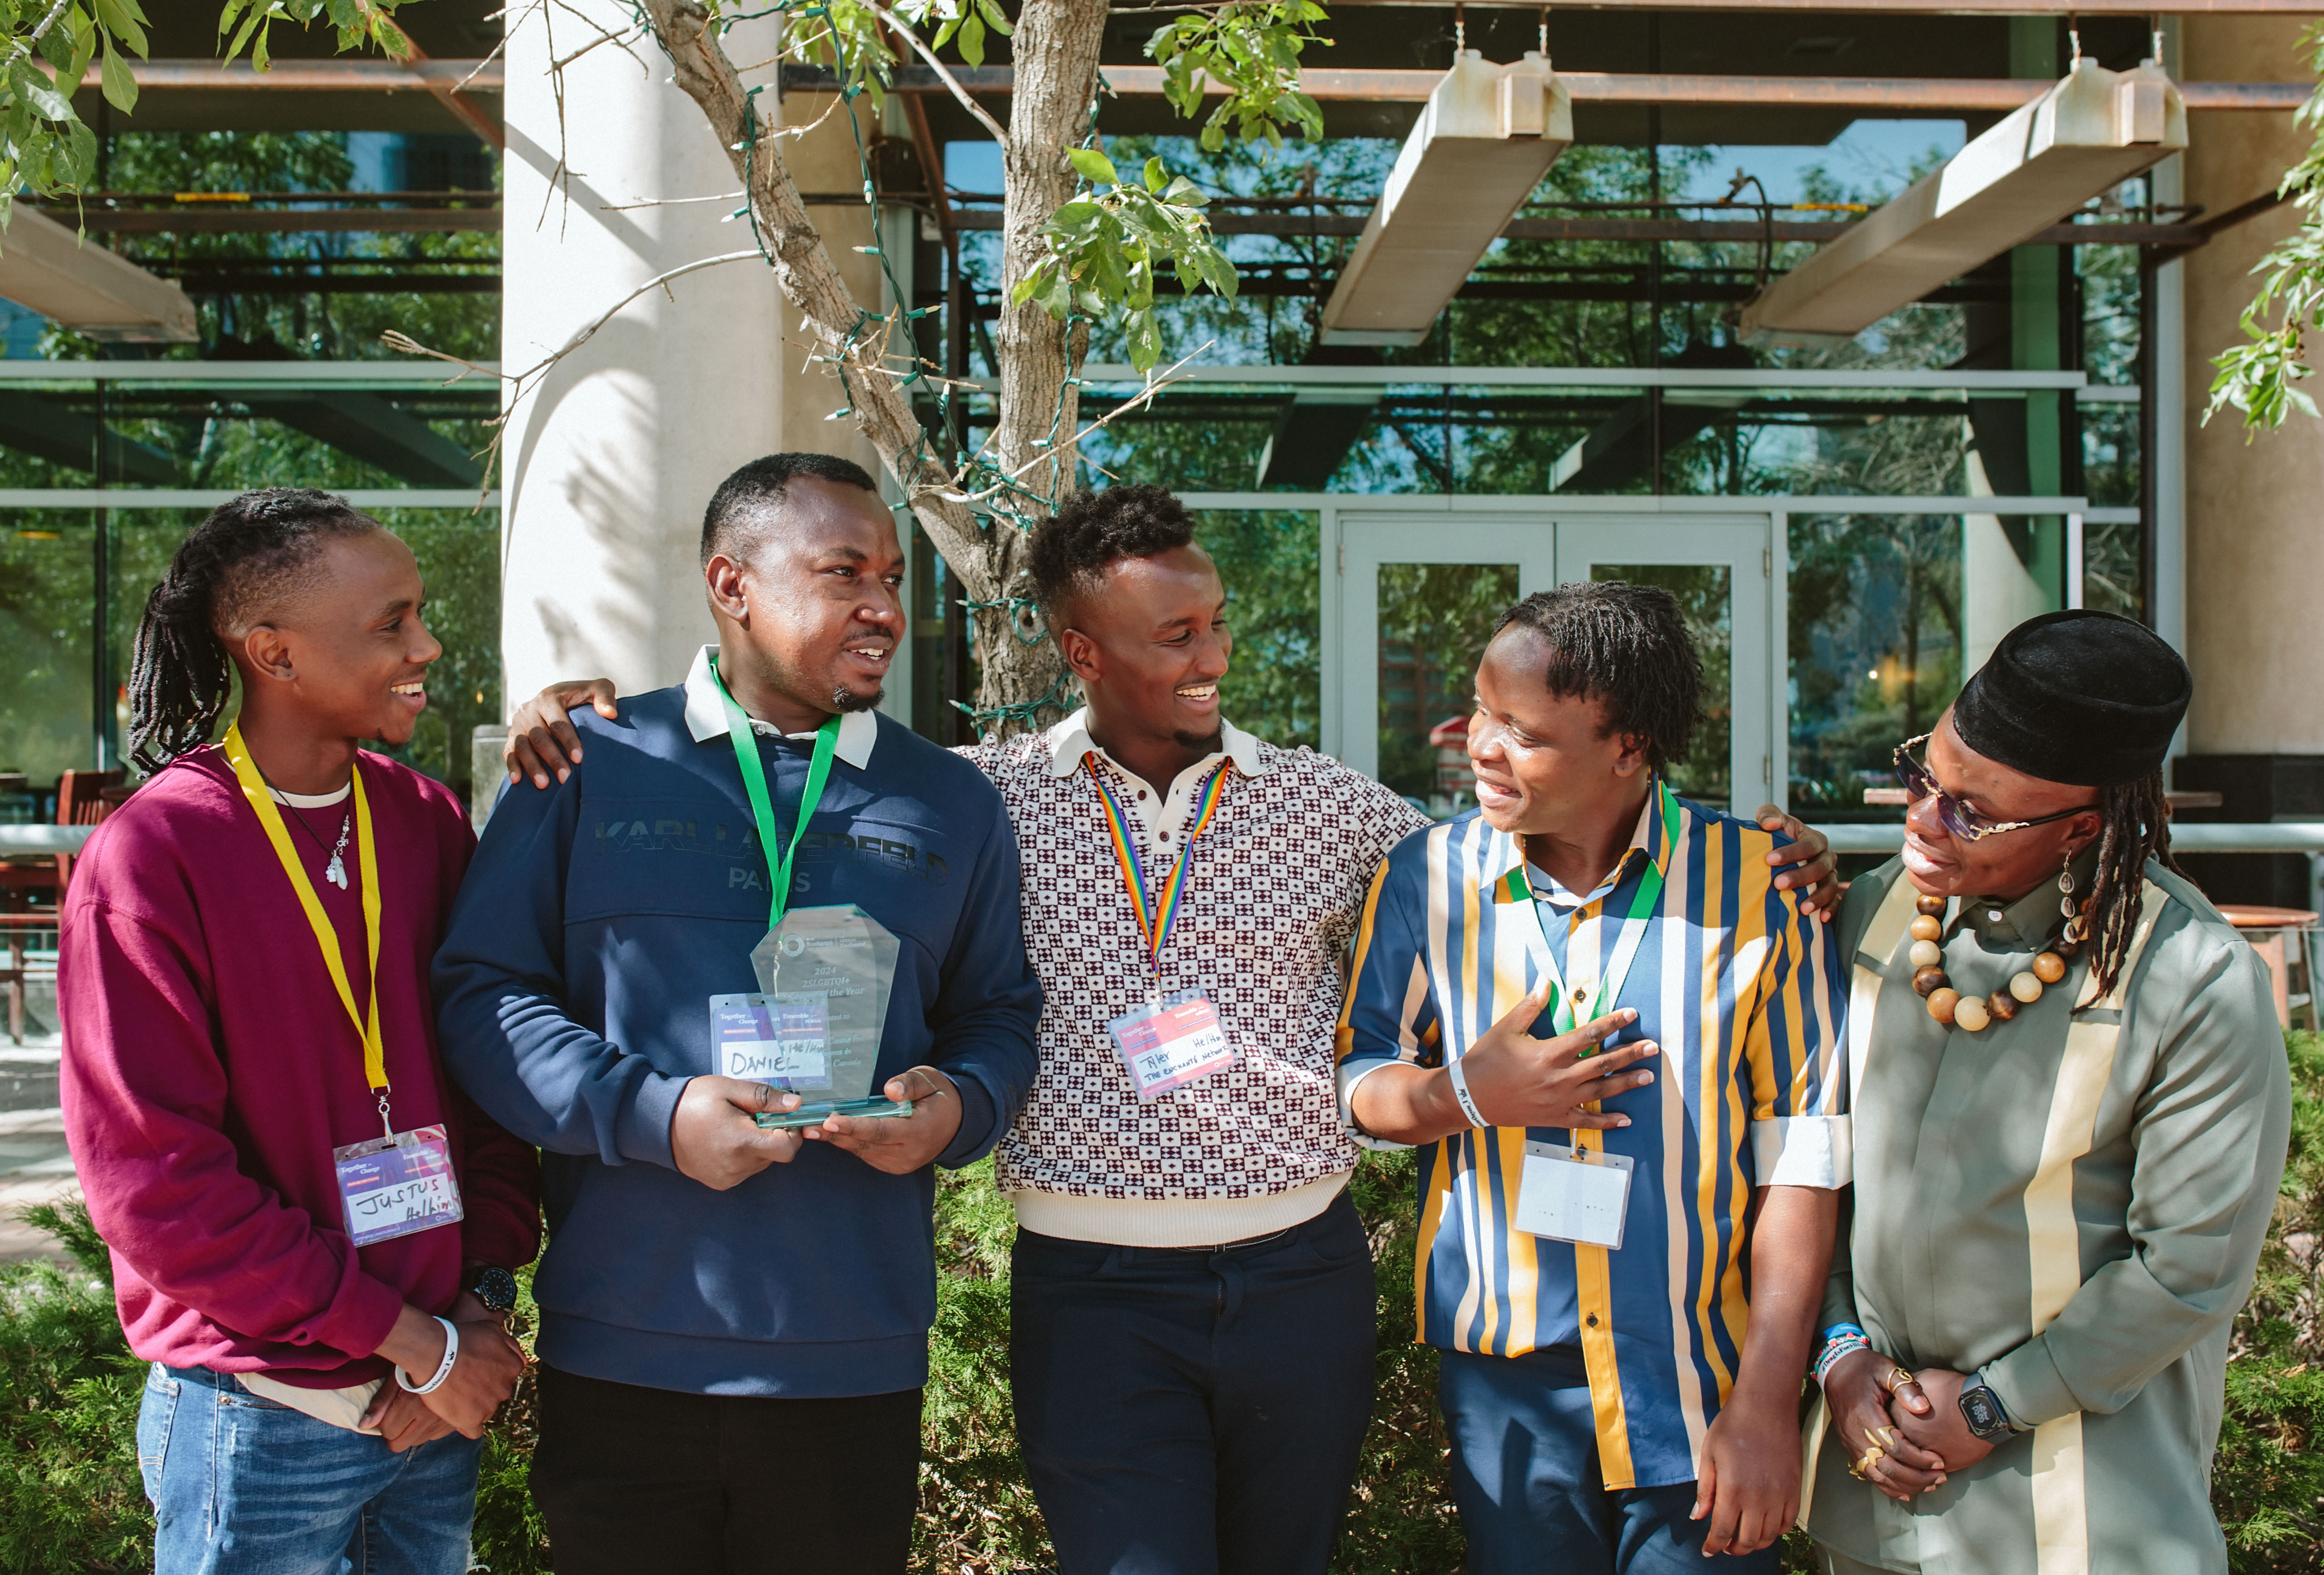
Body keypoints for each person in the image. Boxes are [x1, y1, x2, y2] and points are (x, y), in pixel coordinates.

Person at [502, 486, 1847, 1574]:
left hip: (1300, 1278)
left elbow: (1518, 864)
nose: (1211, 657)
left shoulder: (1337, 809)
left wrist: (1776, 855)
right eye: (1174, 635)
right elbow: (787, 792)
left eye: (1214, 624)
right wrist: (583, 718)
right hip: (1090, 1293)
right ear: (1082, 649)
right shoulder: (977, 800)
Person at [432, 451, 1041, 1575]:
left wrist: (956, 1107)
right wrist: (654, 1116)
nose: (885, 608)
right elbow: (481, 995)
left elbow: (999, 1013)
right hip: (623, 1347)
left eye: (894, 576)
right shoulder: (587, 762)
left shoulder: (951, 797)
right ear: (732, 584)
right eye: (843, 572)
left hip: (851, 1356)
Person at [59, 489, 538, 1575]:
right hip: (263, 1414)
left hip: (431, 1397)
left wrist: (477, 1302)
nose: (427, 644)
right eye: (391, 623)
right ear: (273, 651)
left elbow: (483, 1070)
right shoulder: (153, 854)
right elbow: (157, 1187)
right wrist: (411, 1342)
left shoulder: (421, 817)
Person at [1340, 581, 1849, 1575]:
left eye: (1520, 729)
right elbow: (1357, 1076)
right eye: (1482, 710)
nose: (1480, 744)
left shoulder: (1763, 888)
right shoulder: (1427, 878)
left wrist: (1765, 1403)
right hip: (1507, 1386)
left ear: (1627, 746)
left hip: (1705, 1380)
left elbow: (1803, 1154)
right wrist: (1465, 1094)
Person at [1799, 610, 2290, 1575]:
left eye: (1972, 812)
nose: (1922, 822)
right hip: (1870, 1502)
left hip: (2081, 1517)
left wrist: (1990, 1405)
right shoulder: (1875, 912)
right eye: (1922, 775)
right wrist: (1840, 1353)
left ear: (2083, 825)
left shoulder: (2190, 980)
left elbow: (2186, 1266)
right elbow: (1814, 1168)